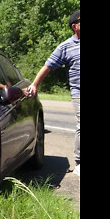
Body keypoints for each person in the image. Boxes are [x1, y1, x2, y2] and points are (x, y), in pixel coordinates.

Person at [24, 10, 80, 176]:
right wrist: (34, 84)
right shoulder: (66, 47)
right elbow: (48, 66)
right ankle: (79, 161)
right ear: (74, 26)